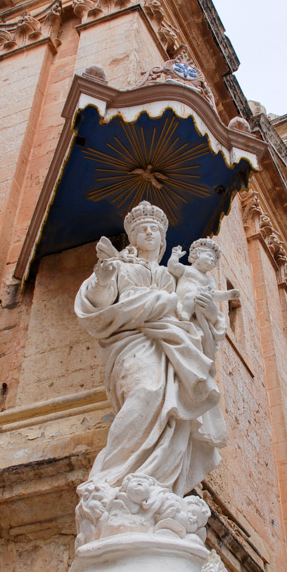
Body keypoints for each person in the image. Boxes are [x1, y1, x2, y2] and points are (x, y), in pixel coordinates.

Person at [75, 201, 227, 496]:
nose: (148, 232)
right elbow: (98, 302)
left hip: (172, 344)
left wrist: (207, 312)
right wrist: (103, 280)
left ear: (162, 239)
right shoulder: (119, 265)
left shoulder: (170, 277)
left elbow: (191, 316)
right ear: (132, 237)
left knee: (171, 412)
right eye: (142, 229)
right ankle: (113, 476)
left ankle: (155, 481)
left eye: (154, 230)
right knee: (144, 392)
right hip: (132, 340)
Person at [167, 238, 240, 364]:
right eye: (210, 256)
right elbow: (172, 267)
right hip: (183, 301)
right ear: (198, 254)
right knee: (190, 297)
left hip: (200, 304)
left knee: (193, 297)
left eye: (215, 261)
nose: (212, 261)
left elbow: (214, 295)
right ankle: (185, 315)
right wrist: (175, 255)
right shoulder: (187, 269)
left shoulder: (209, 280)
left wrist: (228, 294)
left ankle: (187, 316)